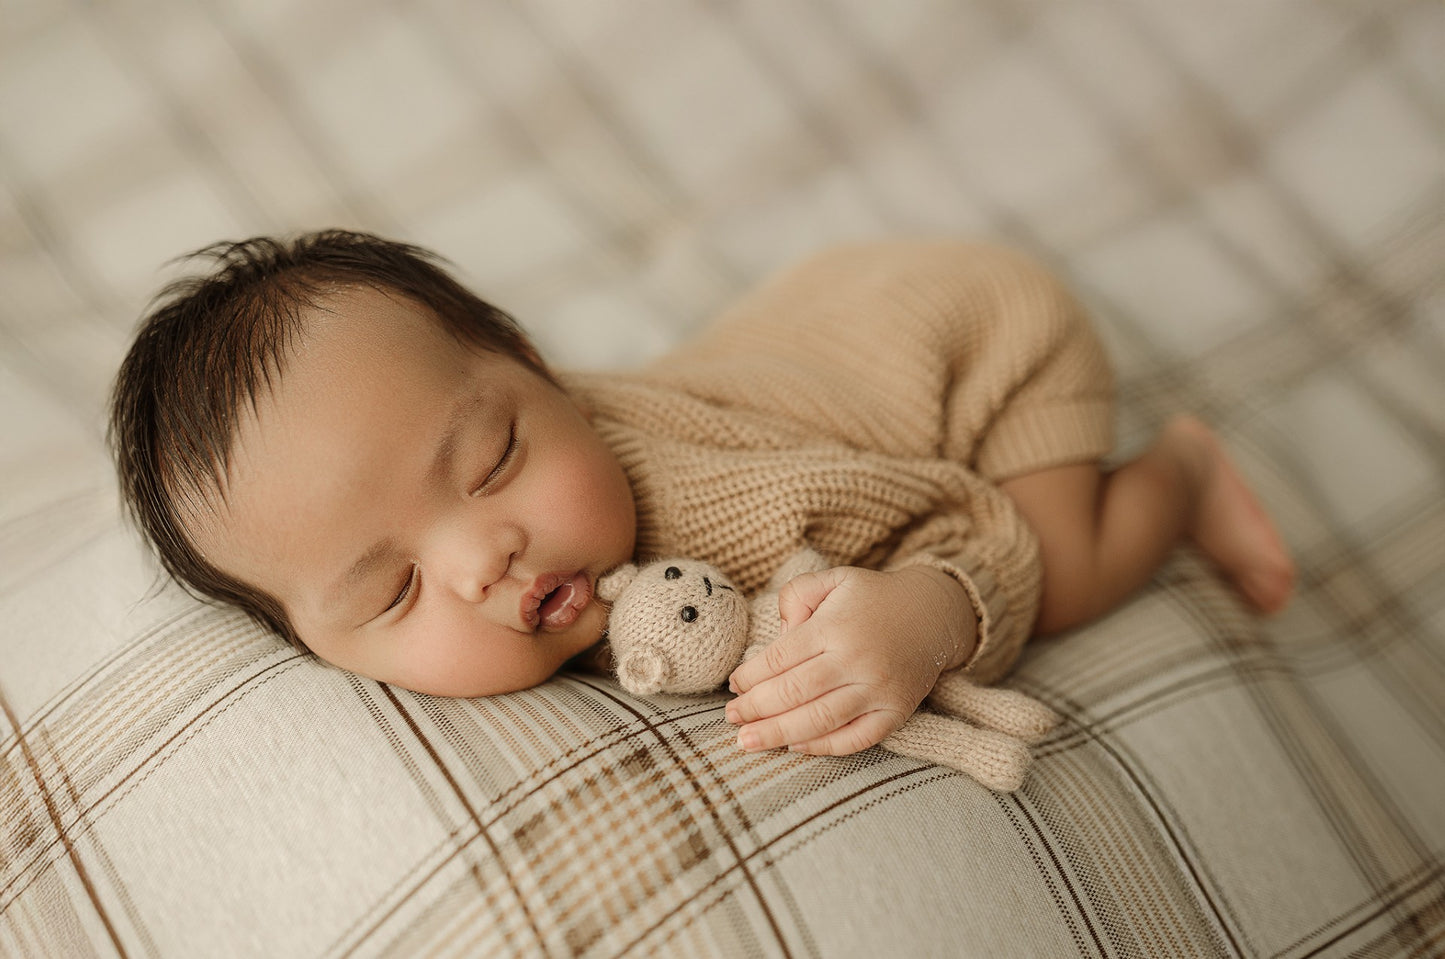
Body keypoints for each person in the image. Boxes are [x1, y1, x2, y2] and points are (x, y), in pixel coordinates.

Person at [109, 230, 1295, 760]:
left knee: (1067, 569)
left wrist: (921, 614)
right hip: (819, 325)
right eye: (396, 587)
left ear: (532, 363)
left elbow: (968, 522)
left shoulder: (730, 509)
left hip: (968, 340)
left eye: (489, 465)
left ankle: (1179, 473)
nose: (486, 555)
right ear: (313, 641)